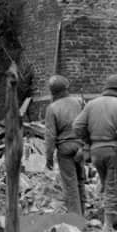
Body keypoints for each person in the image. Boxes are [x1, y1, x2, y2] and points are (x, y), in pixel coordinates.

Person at [73, 73, 117, 232]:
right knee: (112, 190)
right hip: (114, 153)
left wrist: (89, 141)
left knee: (113, 189)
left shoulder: (91, 105)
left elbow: (77, 127)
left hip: (96, 153)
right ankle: (107, 229)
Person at [44, 75, 86, 215]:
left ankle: (76, 220)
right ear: (66, 87)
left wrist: (49, 157)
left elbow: (50, 136)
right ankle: (83, 214)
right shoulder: (79, 102)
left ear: (52, 92)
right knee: (80, 181)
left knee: (70, 185)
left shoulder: (52, 108)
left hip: (65, 149)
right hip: (80, 147)